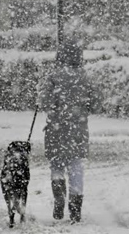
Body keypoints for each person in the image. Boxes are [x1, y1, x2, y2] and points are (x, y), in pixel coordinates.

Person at [39, 44, 99, 223]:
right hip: (78, 129)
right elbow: (96, 103)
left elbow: (44, 102)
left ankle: (58, 192)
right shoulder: (86, 78)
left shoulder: (52, 77)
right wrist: (82, 108)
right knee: (76, 168)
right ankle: (75, 207)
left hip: (56, 128)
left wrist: (53, 105)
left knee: (57, 165)